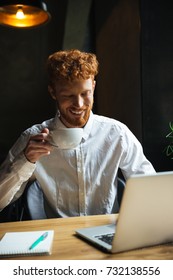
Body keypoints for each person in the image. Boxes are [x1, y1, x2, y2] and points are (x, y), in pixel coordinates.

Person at [0, 49, 155, 218]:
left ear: (93, 87)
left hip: (106, 232)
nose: (79, 104)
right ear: (53, 92)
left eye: (85, 93)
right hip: (57, 237)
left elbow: (150, 188)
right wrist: (26, 159)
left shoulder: (117, 134)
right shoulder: (32, 138)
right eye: (68, 95)